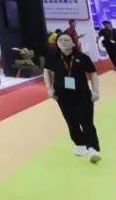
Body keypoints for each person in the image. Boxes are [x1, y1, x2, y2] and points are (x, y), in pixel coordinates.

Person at [43, 33, 102, 163]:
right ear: (57, 44)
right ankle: (80, 144)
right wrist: (49, 89)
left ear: (73, 43)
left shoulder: (82, 57)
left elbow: (93, 73)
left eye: (67, 39)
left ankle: (93, 148)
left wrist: (95, 91)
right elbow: (46, 71)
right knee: (71, 121)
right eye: (60, 40)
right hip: (62, 96)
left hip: (82, 95)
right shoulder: (52, 58)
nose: (63, 41)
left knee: (86, 122)